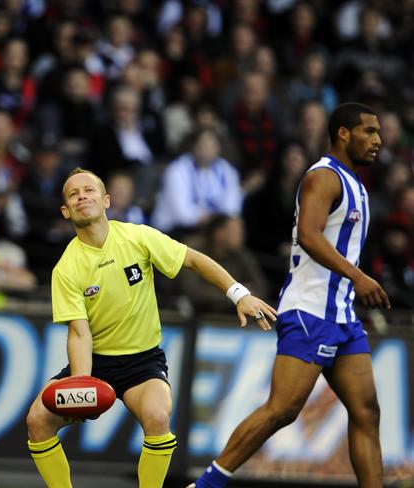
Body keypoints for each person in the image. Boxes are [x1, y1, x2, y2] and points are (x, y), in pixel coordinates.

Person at [25, 167, 275, 488]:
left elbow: (195, 260)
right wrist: (82, 382)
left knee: (158, 418)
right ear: (65, 210)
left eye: (89, 190)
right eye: (73, 194)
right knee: (37, 421)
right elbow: (79, 331)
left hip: (142, 362)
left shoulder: (137, 237)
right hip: (96, 362)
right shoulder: (66, 269)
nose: (81, 196)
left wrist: (238, 294)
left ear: (106, 201)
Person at [188, 102, 390, 488]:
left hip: (342, 317)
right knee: (283, 409)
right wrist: (358, 277)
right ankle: (207, 484)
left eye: (379, 132)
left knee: (367, 411)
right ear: (344, 133)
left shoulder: (355, 184)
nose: (378, 140)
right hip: (310, 310)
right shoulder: (323, 177)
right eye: (369, 131)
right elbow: (311, 237)